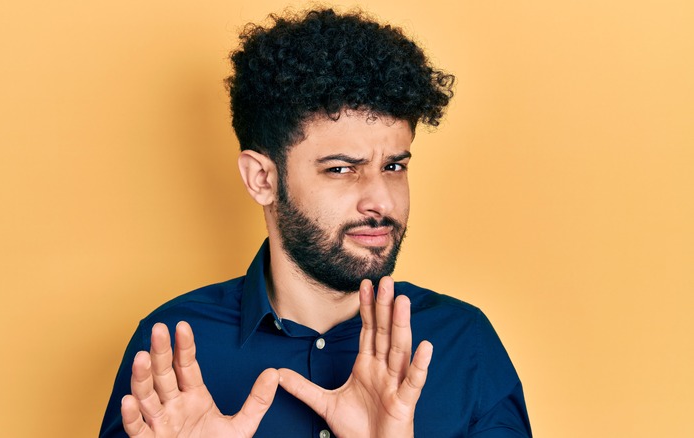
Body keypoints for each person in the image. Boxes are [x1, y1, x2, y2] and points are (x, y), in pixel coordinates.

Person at [100, 8, 532, 438]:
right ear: (263, 179)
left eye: (395, 166)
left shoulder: (463, 344)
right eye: (342, 169)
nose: (381, 200)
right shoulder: (170, 355)